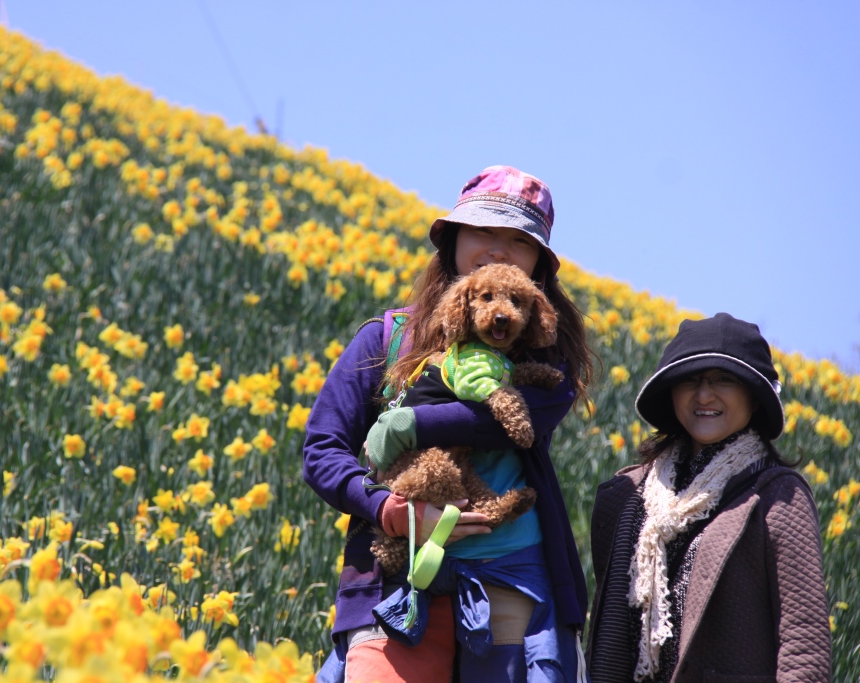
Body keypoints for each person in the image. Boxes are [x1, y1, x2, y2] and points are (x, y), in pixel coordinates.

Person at [304, 165, 594, 683]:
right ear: (455, 236)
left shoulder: (554, 355)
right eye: (484, 230)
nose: (499, 249)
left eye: (518, 241)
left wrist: (405, 424)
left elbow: (498, 424)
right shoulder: (386, 340)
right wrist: (389, 510)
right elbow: (322, 450)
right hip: (397, 579)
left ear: (539, 266)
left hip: (514, 574)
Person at [585, 313, 832, 682]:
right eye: (689, 380)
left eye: (724, 380)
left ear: (754, 397)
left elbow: (804, 642)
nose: (703, 395)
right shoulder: (627, 495)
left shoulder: (778, 496)